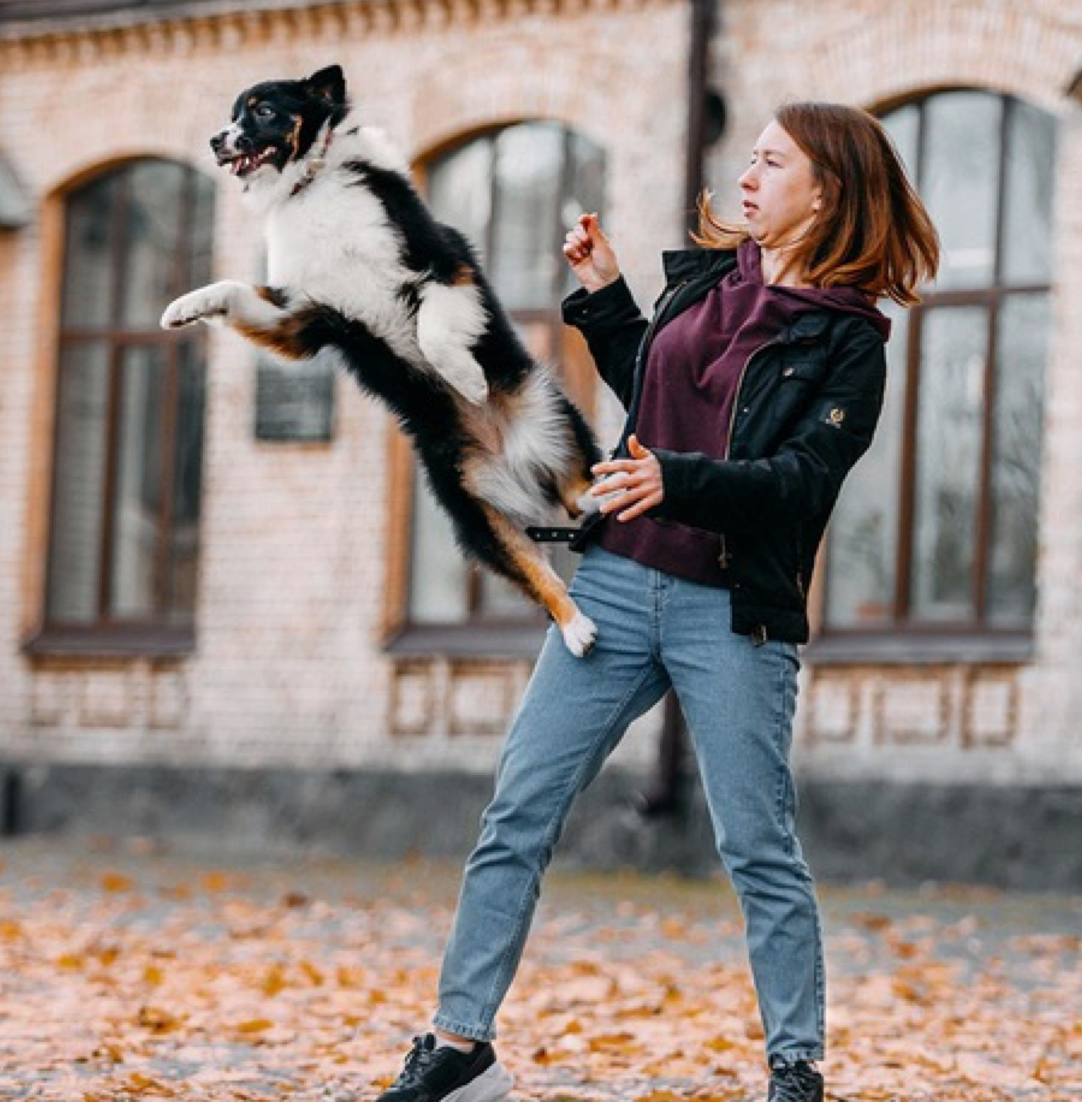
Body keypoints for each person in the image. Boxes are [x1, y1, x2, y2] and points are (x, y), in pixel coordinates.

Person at [374, 102, 940, 1102]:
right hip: (616, 586)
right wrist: (605, 297)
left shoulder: (847, 341)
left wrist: (678, 481)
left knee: (756, 845)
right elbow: (658, 391)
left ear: (828, 192)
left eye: (772, 163)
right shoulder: (710, 281)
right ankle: (460, 1047)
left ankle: (795, 1065)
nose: (748, 177)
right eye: (751, 158)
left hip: (732, 608)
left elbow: (800, 480)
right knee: (517, 810)